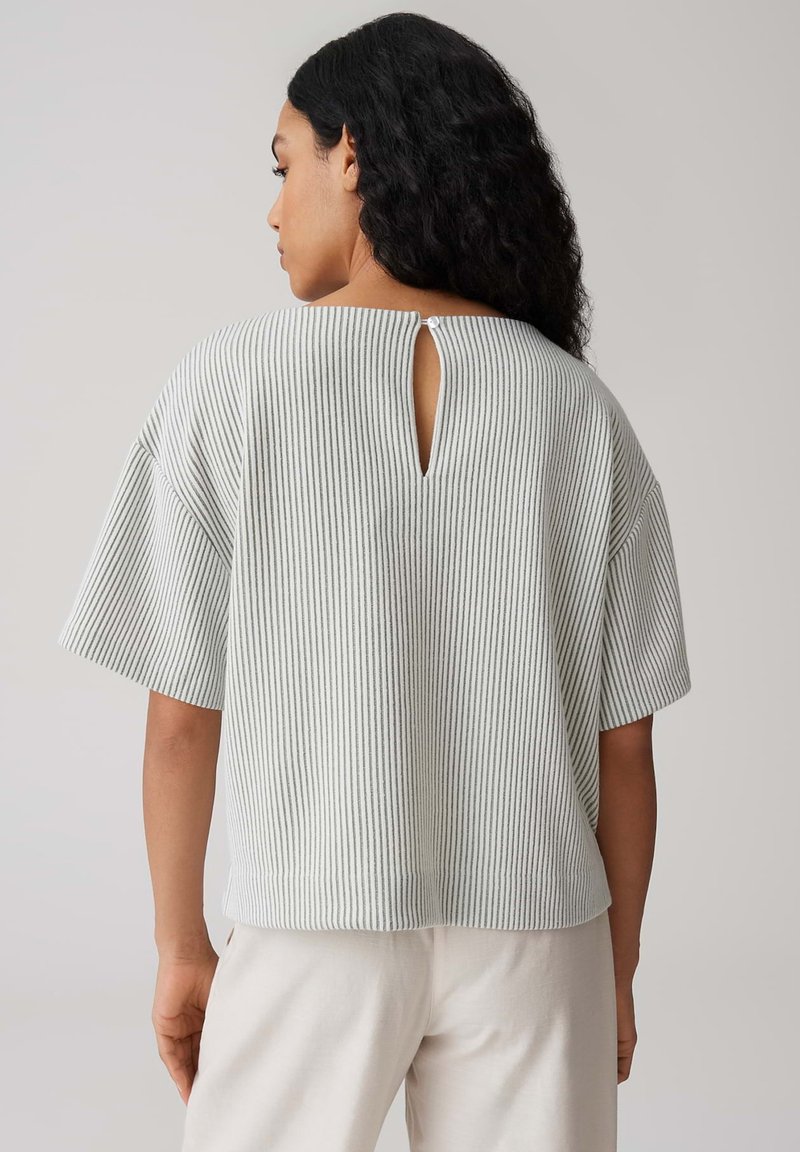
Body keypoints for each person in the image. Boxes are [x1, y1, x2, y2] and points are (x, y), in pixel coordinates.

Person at [57, 12, 692, 1152]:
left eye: (282, 165)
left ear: (351, 155)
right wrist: (615, 967)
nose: (271, 208)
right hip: (539, 932)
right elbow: (627, 746)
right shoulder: (580, 411)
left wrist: (181, 946)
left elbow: (180, 721)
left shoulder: (230, 383)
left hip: (313, 918)